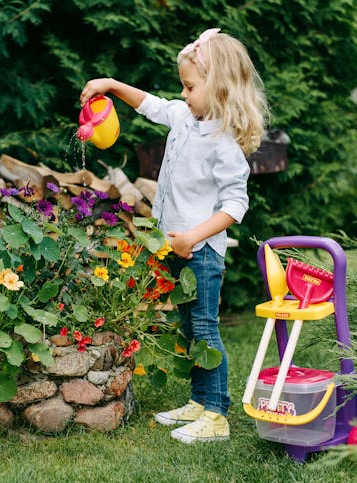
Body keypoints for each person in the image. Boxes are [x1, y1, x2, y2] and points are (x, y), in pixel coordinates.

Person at [80, 28, 267, 443]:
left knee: (204, 329)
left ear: (218, 87)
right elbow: (148, 104)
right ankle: (200, 402)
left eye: (189, 86)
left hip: (200, 253)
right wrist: (109, 85)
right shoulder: (185, 117)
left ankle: (217, 415)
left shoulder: (224, 144)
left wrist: (193, 238)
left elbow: (236, 206)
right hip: (175, 246)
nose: (183, 94)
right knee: (188, 329)